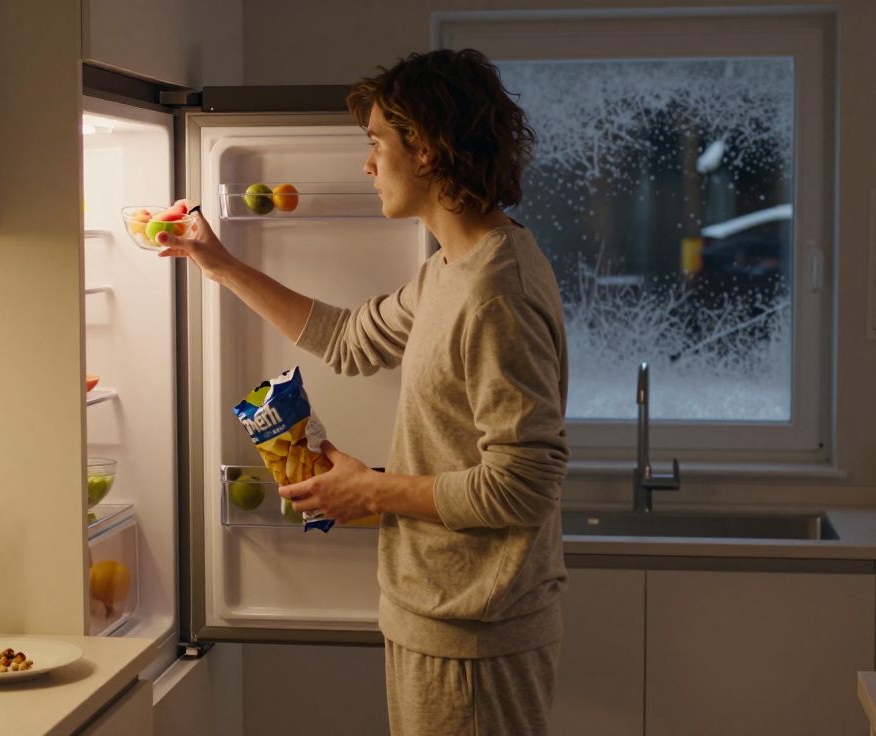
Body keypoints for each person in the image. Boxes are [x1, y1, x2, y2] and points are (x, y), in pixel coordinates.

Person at [156, 48, 569, 736]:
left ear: (430, 149)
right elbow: (350, 341)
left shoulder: (497, 291)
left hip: (475, 630)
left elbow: (524, 484)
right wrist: (219, 262)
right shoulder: (452, 271)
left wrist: (370, 490)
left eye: (377, 142)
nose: (368, 163)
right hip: (435, 612)